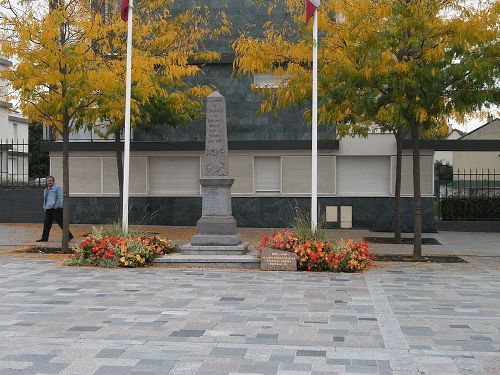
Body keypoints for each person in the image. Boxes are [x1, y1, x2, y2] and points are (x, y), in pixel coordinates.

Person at [36, 176, 74, 242]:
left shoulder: (58, 188)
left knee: (61, 224)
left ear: (53, 181)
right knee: (46, 225)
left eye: (51, 180)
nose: (49, 182)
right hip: (48, 209)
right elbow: (46, 200)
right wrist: (45, 207)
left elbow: (60, 199)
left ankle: (69, 236)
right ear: (46, 182)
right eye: (48, 181)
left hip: (56, 209)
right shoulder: (46, 190)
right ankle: (44, 238)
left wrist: (56, 206)